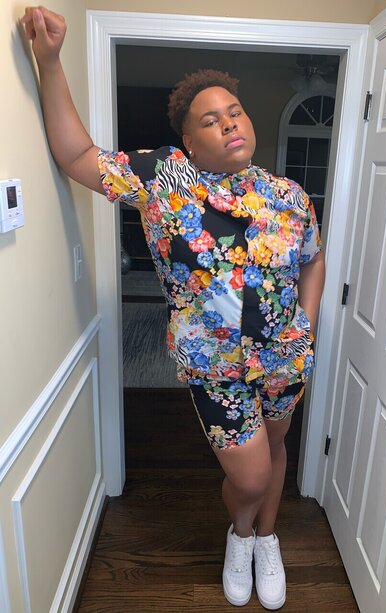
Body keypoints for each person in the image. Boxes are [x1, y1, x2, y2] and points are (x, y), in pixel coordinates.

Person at [21, 6, 326, 610]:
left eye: (235, 111)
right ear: (189, 141)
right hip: (214, 365)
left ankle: (266, 539)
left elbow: (313, 260)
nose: (229, 123)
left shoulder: (289, 196)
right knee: (250, 475)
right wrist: (49, 61)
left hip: (285, 358)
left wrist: (308, 325)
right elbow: (76, 156)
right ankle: (241, 534)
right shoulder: (164, 179)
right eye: (210, 120)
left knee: (276, 447)